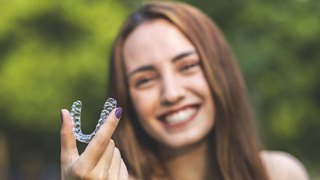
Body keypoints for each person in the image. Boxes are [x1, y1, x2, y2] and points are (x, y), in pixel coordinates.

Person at [60, 1, 309, 179]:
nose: (172, 93)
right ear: (126, 98)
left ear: (221, 71)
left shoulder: (280, 173)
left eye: (188, 66)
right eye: (145, 80)